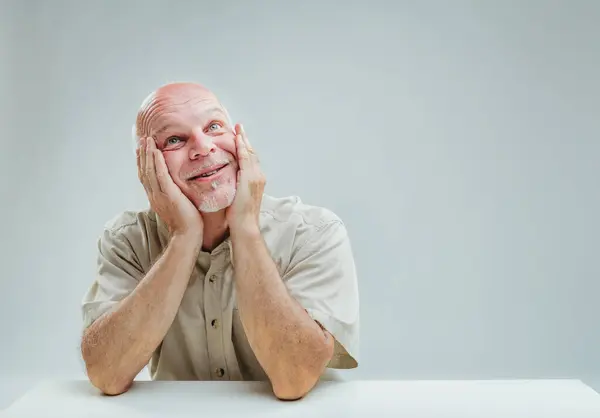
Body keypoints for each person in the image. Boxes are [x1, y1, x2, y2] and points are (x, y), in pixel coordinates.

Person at [80, 82, 359, 400]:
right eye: (175, 139)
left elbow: (293, 378)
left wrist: (245, 228)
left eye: (214, 126)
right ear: (147, 165)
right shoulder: (126, 240)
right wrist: (185, 237)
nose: (203, 147)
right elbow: (106, 373)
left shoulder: (315, 232)